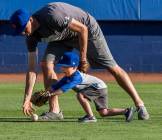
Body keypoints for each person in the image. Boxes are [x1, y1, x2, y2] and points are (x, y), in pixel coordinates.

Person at [10, 2, 149, 120]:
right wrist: (27, 99)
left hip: (87, 30)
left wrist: (83, 59)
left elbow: (83, 29)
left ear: (30, 20)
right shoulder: (30, 38)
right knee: (46, 64)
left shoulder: (52, 15)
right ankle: (55, 111)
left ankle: (139, 104)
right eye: (20, 31)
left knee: (112, 67)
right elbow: (31, 69)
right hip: (62, 38)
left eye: (24, 28)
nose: (23, 33)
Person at [42, 52, 135, 122]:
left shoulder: (76, 77)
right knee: (104, 112)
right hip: (101, 87)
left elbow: (63, 89)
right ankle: (126, 111)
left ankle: (90, 117)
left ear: (74, 67)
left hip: (98, 87)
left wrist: (50, 95)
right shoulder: (67, 77)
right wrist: (46, 92)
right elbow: (56, 86)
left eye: (66, 66)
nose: (63, 68)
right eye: (62, 66)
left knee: (80, 95)